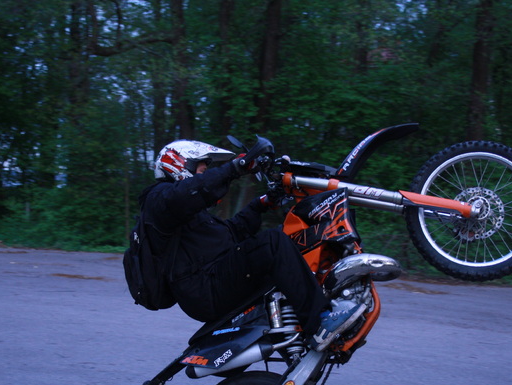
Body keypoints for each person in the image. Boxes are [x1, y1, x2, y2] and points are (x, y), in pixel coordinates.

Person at [140, 139, 362, 351]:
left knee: (285, 237)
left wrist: (263, 203)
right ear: (179, 164)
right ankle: (320, 323)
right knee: (272, 242)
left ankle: (311, 317)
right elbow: (187, 192)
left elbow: (231, 232)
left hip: (212, 279)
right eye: (201, 168)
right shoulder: (157, 199)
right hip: (203, 289)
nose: (205, 173)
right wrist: (235, 168)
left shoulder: (188, 214)